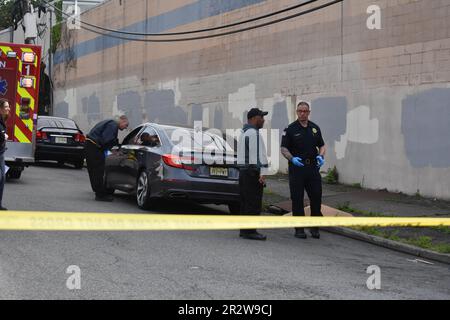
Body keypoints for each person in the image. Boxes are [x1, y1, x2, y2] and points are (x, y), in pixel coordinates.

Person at [281, 101, 326, 239]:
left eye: (305, 111)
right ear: (296, 112)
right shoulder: (290, 129)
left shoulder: (315, 128)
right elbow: (284, 148)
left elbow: (322, 145)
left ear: (309, 112)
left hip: (312, 168)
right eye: (300, 111)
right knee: (297, 199)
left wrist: (321, 156)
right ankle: (299, 229)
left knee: (316, 197)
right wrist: (292, 158)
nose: (302, 113)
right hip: (297, 169)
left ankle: (314, 228)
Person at [237, 108, 269, 241]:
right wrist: (262, 173)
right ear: (255, 118)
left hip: (244, 172)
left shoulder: (244, 132)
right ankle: (250, 231)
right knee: (253, 202)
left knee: (245, 202)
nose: (264, 120)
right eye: (262, 117)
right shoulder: (253, 133)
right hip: (252, 172)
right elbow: (256, 156)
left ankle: (244, 230)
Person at [85, 115, 129, 201]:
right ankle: (100, 195)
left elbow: (106, 139)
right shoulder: (113, 125)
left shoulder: (110, 122)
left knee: (94, 170)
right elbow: (107, 140)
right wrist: (115, 148)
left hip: (90, 145)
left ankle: (98, 191)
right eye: (126, 125)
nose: (125, 128)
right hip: (94, 147)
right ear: (122, 121)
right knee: (98, 170)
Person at [0, 98, 11, 210]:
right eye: (6, 107)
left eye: (8, 106)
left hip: (1, 152)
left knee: (2, 178)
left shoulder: (4, 119)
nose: (8, 108)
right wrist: (2, 136)